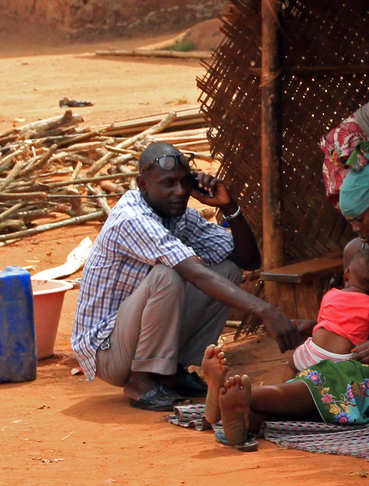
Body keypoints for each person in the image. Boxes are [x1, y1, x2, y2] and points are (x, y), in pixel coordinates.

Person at [204, 143, 369, 438]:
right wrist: (316, 328)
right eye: (349, 221)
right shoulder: (355, 251)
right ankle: (245, 413)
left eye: (359, 219)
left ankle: (247, 398)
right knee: (320, 368)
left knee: (333, 376)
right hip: (356, 355)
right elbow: (350, 315)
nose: (355, 229)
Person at [70, 142, 301, 410]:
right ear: (143, 184)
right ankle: (140, 381)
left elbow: (246, 260)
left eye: (184, 182)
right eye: (168, 183)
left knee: (226, 271)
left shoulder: (179, 216)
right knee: (169, 273)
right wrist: (266, 311)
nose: (179, 192)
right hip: (108, 351)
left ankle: (170, 372)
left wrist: (229, 207)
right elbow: (193, 273)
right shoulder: (131, 218)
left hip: (130, 339)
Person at [287, 245, 369, 372]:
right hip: (342, 361)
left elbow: (321, 322)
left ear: (347, 274)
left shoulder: (330, 294)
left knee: (291, 365)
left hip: (313, 351)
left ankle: (284, 388)